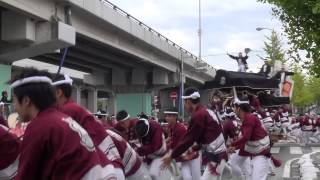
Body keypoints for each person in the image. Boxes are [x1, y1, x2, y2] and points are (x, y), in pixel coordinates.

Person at [10, 68, 116, 180]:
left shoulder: (39, 126)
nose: (14, 106)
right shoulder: (60, 118)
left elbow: (26, 175)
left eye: (14, 100)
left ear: (26, 101)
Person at [53, 74, 148, 180]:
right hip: (116, 160)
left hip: (117, 162)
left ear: (58, 92)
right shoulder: (73, 108)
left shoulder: (66, 111)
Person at [162, 87, 227, 180]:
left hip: (217, 156)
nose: (184, 105)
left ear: (188, 101)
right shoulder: (206, 111)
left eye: (184, 102)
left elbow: (188, 139)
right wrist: (196, 147)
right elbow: (209, 134)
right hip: (217, 155)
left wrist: (172, 155)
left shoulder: (198, 115)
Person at [228, 99, 271, 180]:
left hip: (260, 153)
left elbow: (246, 137)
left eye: (234, 107)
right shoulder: (247, 118)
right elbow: (246, 138)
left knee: (255, 176)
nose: (233, 110)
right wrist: (235, 147)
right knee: (235, 164)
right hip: (252, 149)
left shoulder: (249, 118)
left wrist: (232, 145)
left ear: (239, 109)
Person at [164, 108, 201, 180]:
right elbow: (171, 139)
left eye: (169, 116)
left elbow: (179, 144)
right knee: (187, 177)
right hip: (183, 156)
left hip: (192, 154)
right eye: (166, 116)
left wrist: (168, 152)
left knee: (196, 178)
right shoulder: (170, 127)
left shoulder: (181, 128)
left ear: (175, 117)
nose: (166, 118)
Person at [135, 116, 167, 180]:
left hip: (160, 153)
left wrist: (139, 150)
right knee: (151, 174)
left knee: (153, 173)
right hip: (148, 154)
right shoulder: (138, 125)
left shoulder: (156, 127)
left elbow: (155, 146)